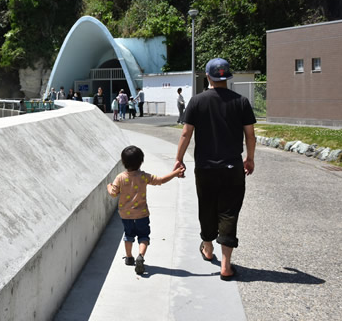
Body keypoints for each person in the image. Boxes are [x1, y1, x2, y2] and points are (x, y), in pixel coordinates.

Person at [174, 58, 256, 281]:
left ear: (208, 77)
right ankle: (226, 266)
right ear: (227, 77)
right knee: (229, 211)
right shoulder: (241, 102)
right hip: (232, 167)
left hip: (205, 167)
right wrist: (249, 158)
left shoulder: (197, 101)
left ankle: (208, 248)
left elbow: (186, 133)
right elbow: (250, 135)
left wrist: (179, 159)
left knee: (207, 207)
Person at [108, 145, 185, 274]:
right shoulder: (143, 177)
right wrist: (175, 173)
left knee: (128, 235)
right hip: (142, 214)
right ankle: (141, 256)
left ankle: (129, 257)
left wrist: (109, 186)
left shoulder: (120, 178)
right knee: (143, 236)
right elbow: (160, 180)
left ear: (123, 162)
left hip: (126, 216)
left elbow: (113, 193)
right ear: (141, 161)